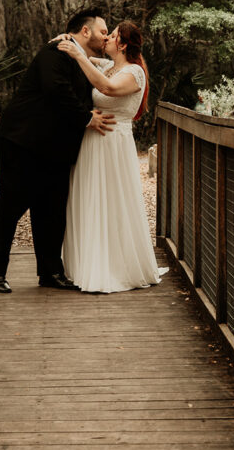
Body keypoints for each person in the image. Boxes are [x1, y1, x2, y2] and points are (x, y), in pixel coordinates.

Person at [0, 9, 115, 293]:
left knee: (52, 209)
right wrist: (87, 117)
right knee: (11, 205)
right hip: (24, 141)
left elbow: (114, 67)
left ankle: (50, 272)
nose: (107, 36)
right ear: (86, 31)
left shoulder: (80, 57)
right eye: (104, 31)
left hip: (56, 148)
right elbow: (56, 90)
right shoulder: (55, 52)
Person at [57, 21, 166, 293]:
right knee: (91, 198)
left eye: (113, 35)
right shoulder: (110, 65)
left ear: (123, 44)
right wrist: (70, 41)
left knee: (115, 200)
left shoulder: (134, 73)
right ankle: (88, 263)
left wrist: (79, 55)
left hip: (115, 144)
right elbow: (89, 59)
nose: (107, 38)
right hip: (93, 142)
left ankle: (117, 266)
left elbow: (106, 88)